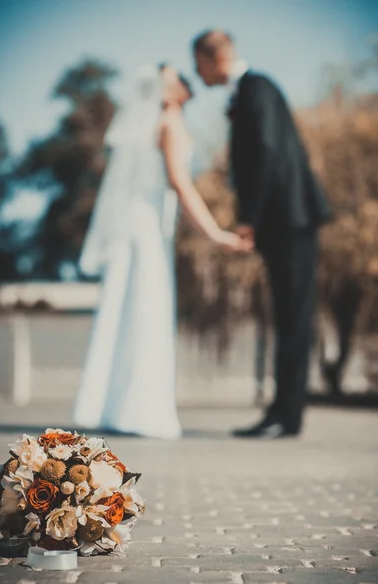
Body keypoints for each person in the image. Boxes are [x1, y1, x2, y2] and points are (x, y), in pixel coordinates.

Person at [73, 64, 251, 440]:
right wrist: (215, 233)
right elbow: (180, 183)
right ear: (165, 90)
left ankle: (124, 407)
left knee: (137, 312)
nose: (185, 81)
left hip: (148, 224)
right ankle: (140, 411)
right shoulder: (167, 124)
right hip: (147, 228)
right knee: (145, 312)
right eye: (175, 77)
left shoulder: (159, 123)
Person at [193, 31, 333, 438]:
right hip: (282, 220)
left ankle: (285, 417)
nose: (197, 74)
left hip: (291, 218)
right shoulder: (248, 91)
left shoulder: (257, 87)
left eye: (199, 64)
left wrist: (249, 218)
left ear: (214, 57)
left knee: (294, 317)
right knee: (288, 315)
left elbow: (269, 152)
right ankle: (282, 413)